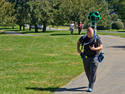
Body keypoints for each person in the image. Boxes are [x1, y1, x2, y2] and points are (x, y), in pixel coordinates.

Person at [77, 27, 103, 92]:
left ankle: (90, 86)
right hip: (85, 57)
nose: (91, 35)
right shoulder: (83, 38)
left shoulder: (96, 38)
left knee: (93, 71)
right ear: (87, 33)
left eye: (92, 33)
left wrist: (95, 49)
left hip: (94, 57)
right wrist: (79, 50)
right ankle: (91, 81)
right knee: (87, 71)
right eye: (90, 34)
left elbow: (101, 46)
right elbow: (78, 43)